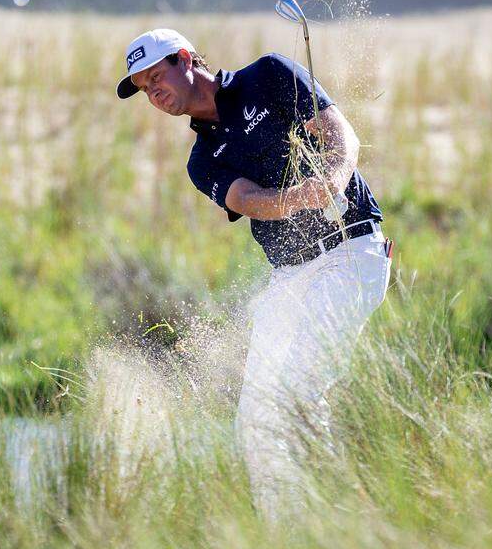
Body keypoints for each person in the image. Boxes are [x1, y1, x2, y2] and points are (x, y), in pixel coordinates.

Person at [116, 28, 392, 518]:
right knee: (255, 419)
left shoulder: (268, 75)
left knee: (301, 391)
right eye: (144, 88)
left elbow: (340, 135)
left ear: (186, 59)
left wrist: (333, 178)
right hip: (291, 276)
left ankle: (340, 516)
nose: (153, 93)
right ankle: (286, 532)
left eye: (156, 76)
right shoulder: (202, 160)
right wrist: (299, 199)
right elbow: (246, 200)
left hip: (351, 254)